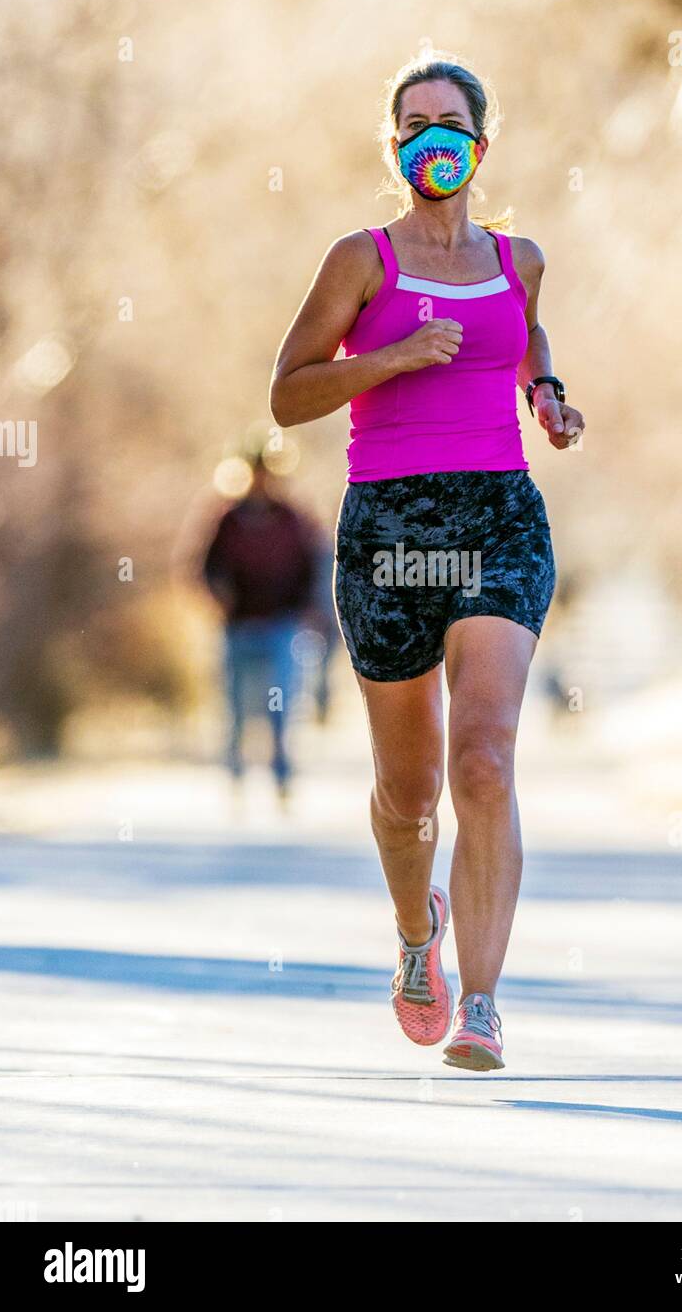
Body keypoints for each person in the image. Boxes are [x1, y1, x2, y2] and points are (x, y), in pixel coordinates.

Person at [269, 53, 584, 1069]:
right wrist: (391, 359)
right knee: (408, 794)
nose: (431, 137)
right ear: (393, 143)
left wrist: (546, 393)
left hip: (496, 515)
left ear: (479, 144)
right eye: (412, 122)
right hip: (389, 532)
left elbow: (523, 332)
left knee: (483, 757)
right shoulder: (359, 259)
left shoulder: (518, 255)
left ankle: (484, 1002)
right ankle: (418, 936)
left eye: (449, 121)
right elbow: (289, 392)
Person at [201, 455, 320, 792]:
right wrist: (219, 596)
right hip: (238, 623)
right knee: (235, 703)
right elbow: (207, 568)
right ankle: (236, 770)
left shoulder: (291, 519)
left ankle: (281, 773)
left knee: (281, 701)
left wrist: (305, 607)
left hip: (281, 624)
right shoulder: (228, 520)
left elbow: (310, 565)